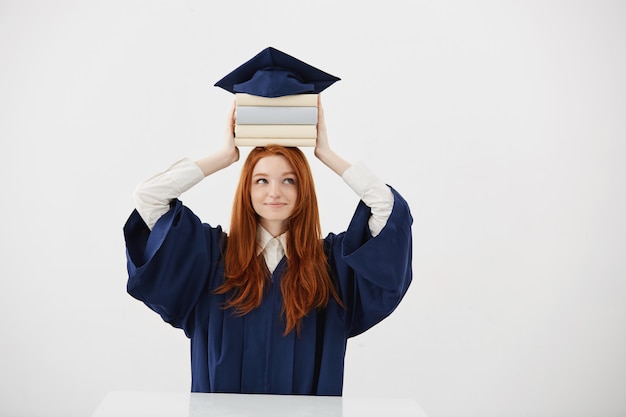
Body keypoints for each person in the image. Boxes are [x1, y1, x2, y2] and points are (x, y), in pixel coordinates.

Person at [123, 98, 413, 395]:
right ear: (246, 189)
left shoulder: (332, 267)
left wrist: (326, 154)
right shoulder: (209, 259)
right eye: (261, 180)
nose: (274, 192)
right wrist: (224, 156)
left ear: (304, 190)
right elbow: (148, 197)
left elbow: (387, 209)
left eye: (289, 180)